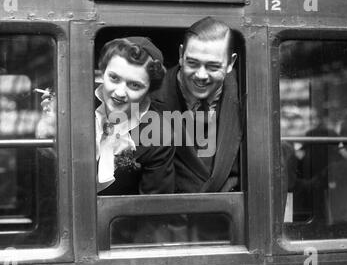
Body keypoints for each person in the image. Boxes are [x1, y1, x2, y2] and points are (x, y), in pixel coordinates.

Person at [36, 36, 175, 196]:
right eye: (114, 78)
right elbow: (45, 184)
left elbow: (152, 206)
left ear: (150, 89)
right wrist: (47, 130)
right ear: (103, 73)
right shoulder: (71, 103)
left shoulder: (159, 133)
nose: (120, 93)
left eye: (135, 85)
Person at [152, 16, 242, 193]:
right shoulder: (149, 96)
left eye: (213, 67)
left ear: (231, 63)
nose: (201, 75)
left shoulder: (250, 94)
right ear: (180, 55)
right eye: (192, 63)